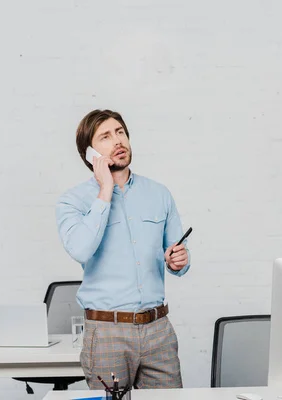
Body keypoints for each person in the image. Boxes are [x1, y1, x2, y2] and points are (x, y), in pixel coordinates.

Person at [55, 109, 191, 390]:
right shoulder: (72, 201)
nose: (118, 140)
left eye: (120, 132)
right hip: (107, 332)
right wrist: (105, 190)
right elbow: (80, 249)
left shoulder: (159, 193)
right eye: (105, 136)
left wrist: (179, 260)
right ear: (90, 153)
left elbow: (178, 253)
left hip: (158, 330)